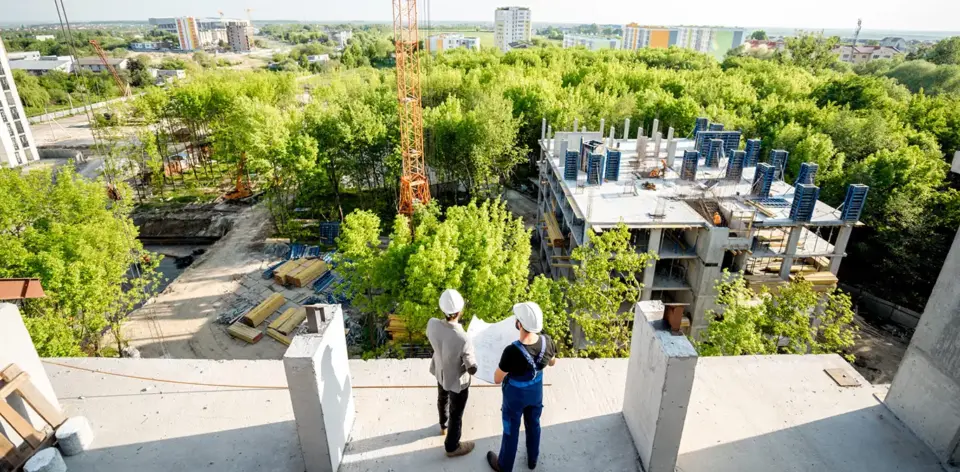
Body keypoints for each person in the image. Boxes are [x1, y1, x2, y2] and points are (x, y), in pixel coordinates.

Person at [486, 302, 557, 471]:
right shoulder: (548, 342)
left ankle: (505, 465)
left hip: (515, 397)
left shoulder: (511, 351)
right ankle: (532, 460)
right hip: (535, 393)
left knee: (511, 429)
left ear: (519, 324)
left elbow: (497, 378)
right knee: (534, 424)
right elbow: (552, 362)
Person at [426, 288, 478, 457]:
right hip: (457, 380)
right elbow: (472, 367)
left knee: (442, 399)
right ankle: (452, 446)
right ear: (459, 312)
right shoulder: (463, 337)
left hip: (440, 371)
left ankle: (443, 425)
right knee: (457, 412)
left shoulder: (432, 324)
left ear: (443, 310)